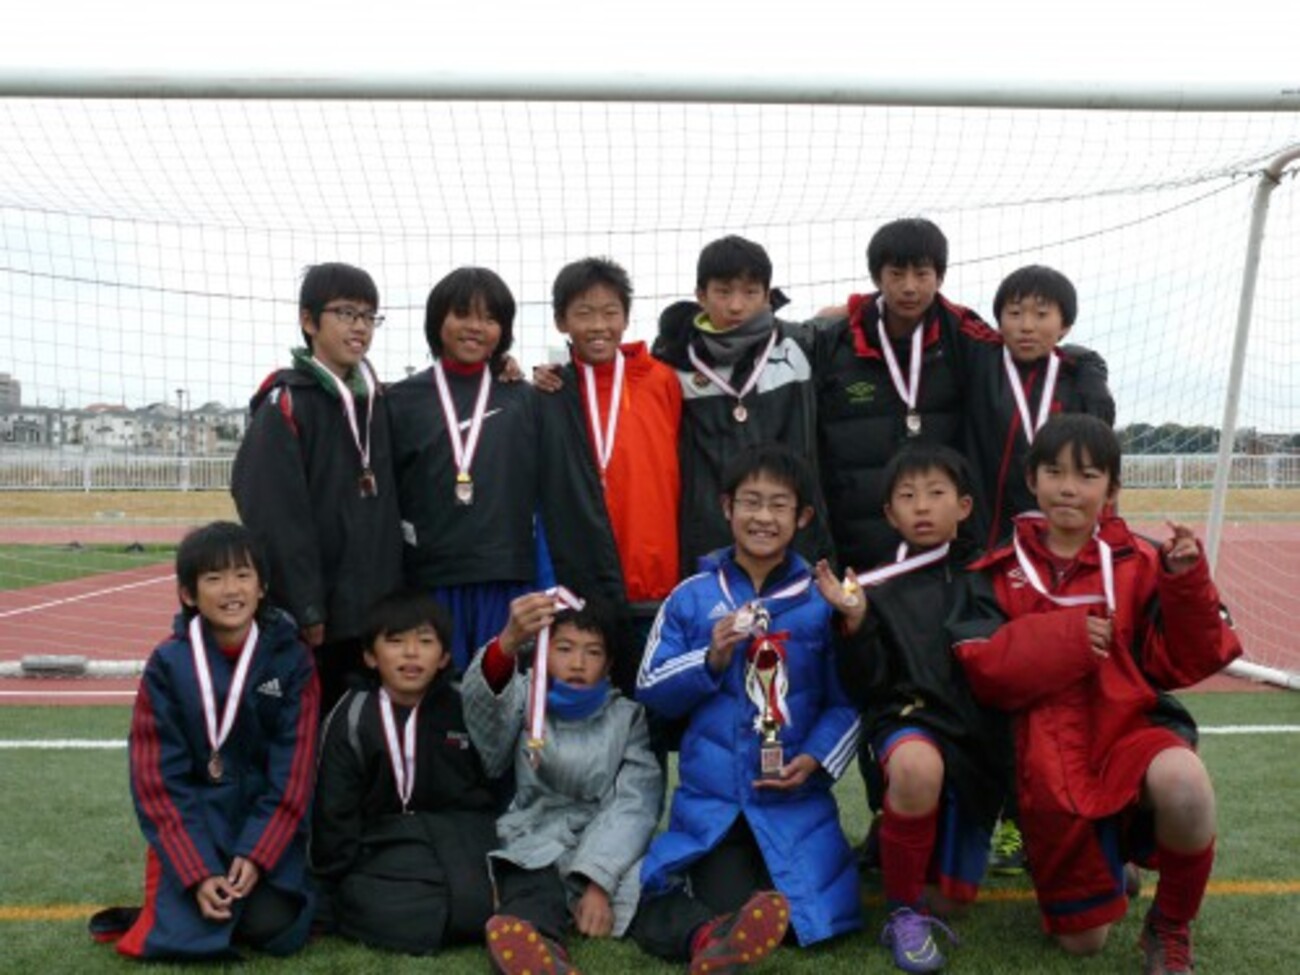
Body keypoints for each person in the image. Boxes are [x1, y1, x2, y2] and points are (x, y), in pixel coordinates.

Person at [950, 414, 1241, 972]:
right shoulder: (995, 571)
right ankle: (1112, 857)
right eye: (1054, 472)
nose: (1068, 488)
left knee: (1186, 785)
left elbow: (1188, 660)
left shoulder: (1143, 560)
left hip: (1125, 731)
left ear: (1111, 489)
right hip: (1045, 759)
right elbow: (985, 673)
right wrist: (1070, 639)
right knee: (1083, 943)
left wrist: (1186, 584)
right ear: (1031, 479)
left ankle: (1170, 925)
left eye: (1087, 476)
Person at [631, 443, 862, 971]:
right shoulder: (691, 596)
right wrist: (710, 657)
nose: (763, 517)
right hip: (715, 805)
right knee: (686, 899)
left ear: (802, 516)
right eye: (751, 502)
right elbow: (650, 685)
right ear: (726, 507)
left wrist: (817, 760)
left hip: (794, 801)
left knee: (808, 918)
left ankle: (729, 929)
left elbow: (847, 702)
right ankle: (712, 935)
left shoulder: (822, 600)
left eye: (779, 505)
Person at [95, 522, 319, 961]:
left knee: (271, 926)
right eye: (213, 578)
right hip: (199, 822)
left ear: (262, 587)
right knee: (193, 927)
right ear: (188, 594)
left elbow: (293, 775)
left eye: (243, 575)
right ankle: (183, 888)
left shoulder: (292, 659)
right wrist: (196, 871)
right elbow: (157, 783)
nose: (230, 589)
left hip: (261, 821)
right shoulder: (167, 664)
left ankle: (250, 877)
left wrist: (257, 854)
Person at [834, 444, 1011, 973]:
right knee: (916, 766)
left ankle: (1081, 858)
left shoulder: (991, 577)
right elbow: (867, 685)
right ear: (890, 513)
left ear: (964, 506)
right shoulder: (870, 588)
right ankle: (903, 914)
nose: (923, 506)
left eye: (936, 493)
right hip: (907, 724)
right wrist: (856, 626)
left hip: (975, 739)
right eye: (908, 496)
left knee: (952, 903)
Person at [231, 261, 403, 713]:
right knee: (315, 732)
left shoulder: (378, 401)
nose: (360, 327)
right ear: (308, 321)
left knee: (371, 735)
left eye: (369, 316)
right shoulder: (286, 403)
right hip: (320, 621)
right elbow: (273, 517)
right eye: (346, 313)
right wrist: (306, 606)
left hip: (379, 613)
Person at [462, 594, 663, 975]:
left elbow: (634, 803)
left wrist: (598, 882)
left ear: (609, 664)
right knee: (532, 890)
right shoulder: (525, 699)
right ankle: (538, 953)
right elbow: (486, 722)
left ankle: (706, 937)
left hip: (604, 839)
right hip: (532, 834)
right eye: (565, 648)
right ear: (542, 652)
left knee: (652, 891)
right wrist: (505, 645)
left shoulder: (628, 717)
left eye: (593, 652)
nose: (578, 663)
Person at [309, 589, 499, 955]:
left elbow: (492, 785)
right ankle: (463, 914)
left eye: (425, 642)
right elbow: (335, 814)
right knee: (368, 898)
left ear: (444, 657)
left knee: (510, 878)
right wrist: (331, 884)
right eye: (395, 642)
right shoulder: (351, 717)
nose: (411, 653)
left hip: (458, 839)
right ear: (370, 656)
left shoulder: (464, 706)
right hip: (384, 847)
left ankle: (453, 911)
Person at [810, 217, 1000, 572]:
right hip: (857, 540)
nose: (909, 287)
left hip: (945, 545)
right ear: (876, 278)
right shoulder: (833, 340)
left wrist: (1085, 366)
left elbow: (1025, 357)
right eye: (896, 274)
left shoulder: (965, 336)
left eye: (922, 274)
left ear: (940, 277)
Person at [536, 257, 682, 694]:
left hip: (653, 581)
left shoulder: (661, 380)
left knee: (651, 710)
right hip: (584, 589)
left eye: (610, 312)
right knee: (588, 709)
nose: (599, 325)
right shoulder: (551, 391)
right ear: (561, 321)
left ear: (626, 317)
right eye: (584, 313)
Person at [388, 266, 543, 671]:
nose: (475, 327)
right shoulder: (400, 400)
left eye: (490, 318)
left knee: (501, 690)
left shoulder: (524, 397)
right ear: (437, 320)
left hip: (505, 576)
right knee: (440, 692)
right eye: (462, 314)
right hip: (431, 579)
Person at [654, 235, 834, 575]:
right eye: (723, 292)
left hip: (796, 539)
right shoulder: (673, 365)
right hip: (710, 544)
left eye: (750, 293)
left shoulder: (801, 345)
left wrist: (856, 305)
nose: (736, 306)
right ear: (701, 295)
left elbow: (867, 325)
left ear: (767, 296)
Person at [965, 264, 1116, 551]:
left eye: (1042, 314)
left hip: (1065, 540)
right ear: (999, 322)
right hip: (988, 538)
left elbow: (1098, 462)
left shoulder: (1080, 382)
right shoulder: (980, 364)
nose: (1026, 326)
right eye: (1014, 313)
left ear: (1065, 326)